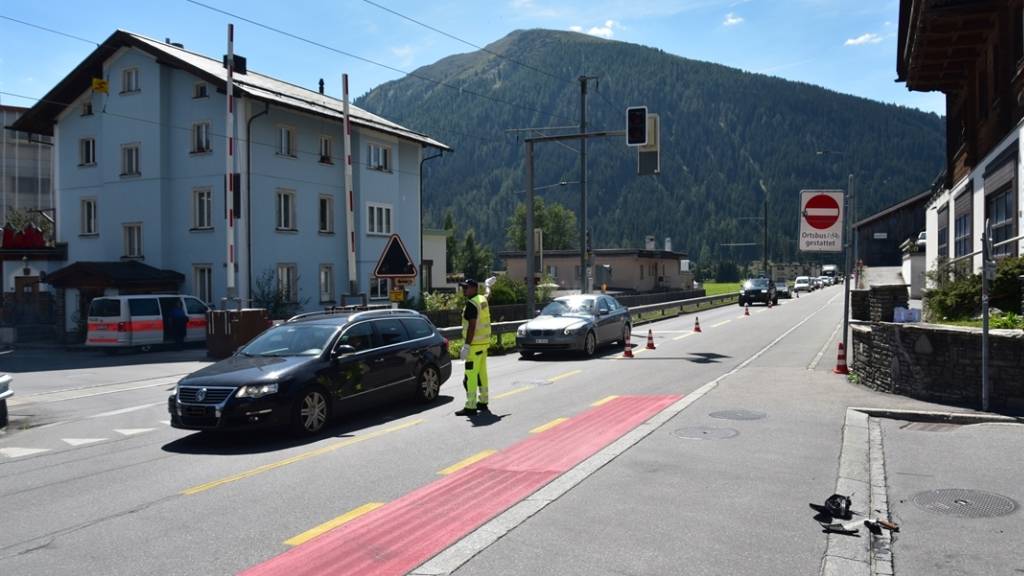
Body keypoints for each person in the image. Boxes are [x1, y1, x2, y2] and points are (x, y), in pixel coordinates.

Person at [455, 278, 492, 416]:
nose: (464, 290)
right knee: (482, 373)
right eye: (463, 287)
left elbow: (472, 326)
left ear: (474, 288)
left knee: (470, 375)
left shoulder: (471, 304)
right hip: (484, 344)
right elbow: (488, 295)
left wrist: (466, 346)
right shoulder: (482, 299)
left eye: (467, 287)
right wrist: (488, 286)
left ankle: (470, 406)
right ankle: (483, 401)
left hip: (474, 345)